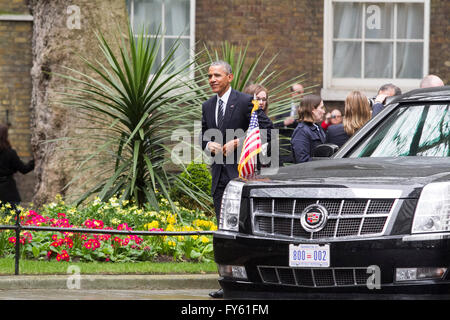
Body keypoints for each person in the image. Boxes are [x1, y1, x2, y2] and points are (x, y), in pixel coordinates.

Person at [0, 123, 34, 213]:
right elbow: (24, 169)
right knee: (11, 223)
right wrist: (35, 160)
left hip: (7, 193)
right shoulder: (10, 153)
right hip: (8, 193)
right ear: (5, 136)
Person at [274, 83, 305, 165]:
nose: (301, 95)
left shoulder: (306, 108)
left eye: (303, 93)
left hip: (300, 147)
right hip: (285, 147)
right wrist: (284, 123)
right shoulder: (282, 107)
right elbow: (274, 127)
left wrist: (295, 121)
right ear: (292, 94)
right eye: (299, 92)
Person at [290, 94, 326, 163]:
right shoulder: (301, 131)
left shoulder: (317, 127)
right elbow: (302, 161)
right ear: (312, 109)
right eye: (321, 108)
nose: (324, 112)